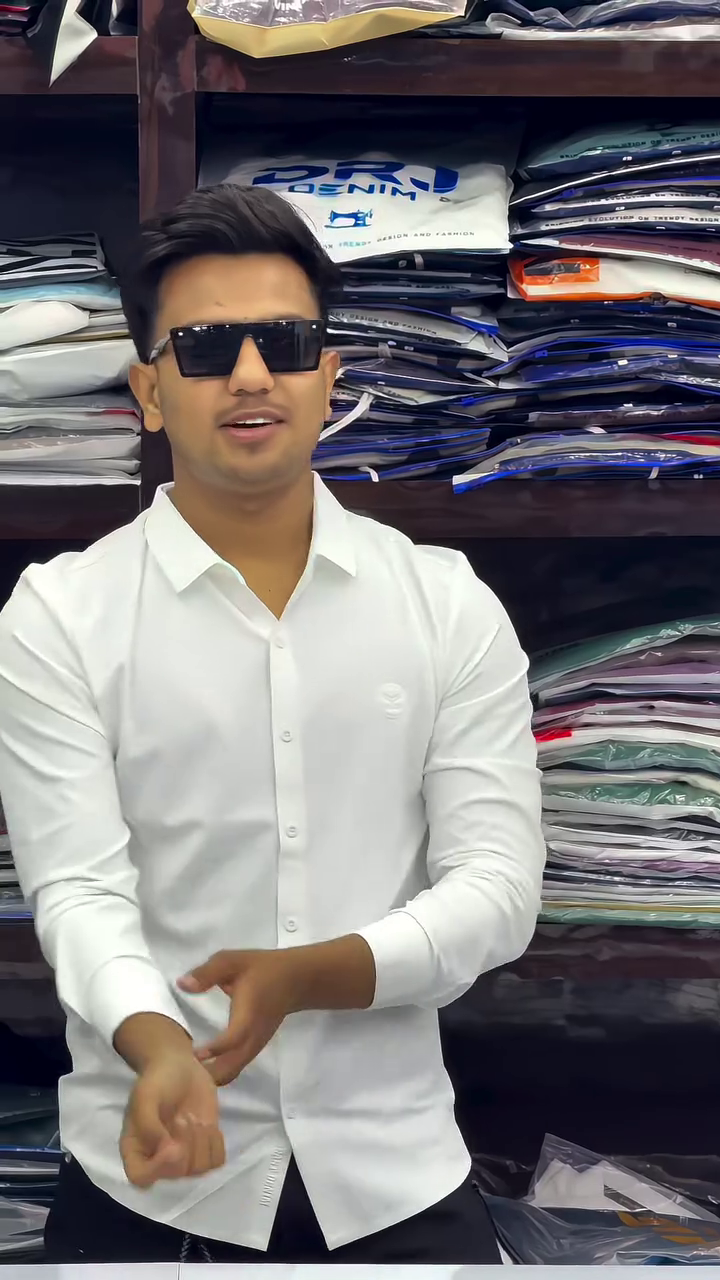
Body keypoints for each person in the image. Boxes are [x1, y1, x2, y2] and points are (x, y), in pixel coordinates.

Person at [0, 183, 545, 1265]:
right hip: (151, 1175)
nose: (250, 374)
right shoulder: (61, 615)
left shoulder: (445, 603)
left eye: (285, 343)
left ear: (328, 375)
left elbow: (498, 886)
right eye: (206, 349)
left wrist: (312, 972)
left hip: (395, 1175)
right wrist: (157, 1041)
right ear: (149, 391)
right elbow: (77, 888)